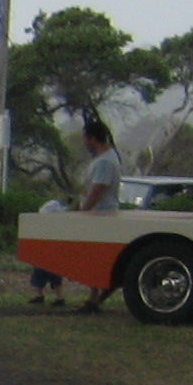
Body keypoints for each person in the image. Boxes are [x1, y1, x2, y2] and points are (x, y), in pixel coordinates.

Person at [70, 117, 123, 310]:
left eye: (85, 138)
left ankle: (96, 296)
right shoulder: (105, 159)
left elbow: (97, 190)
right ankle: (94, 295)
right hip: (98, 213)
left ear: (92, 139)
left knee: (94, 257)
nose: (84, 143)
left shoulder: (105, 162)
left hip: (100, 215)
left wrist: (83, 212)